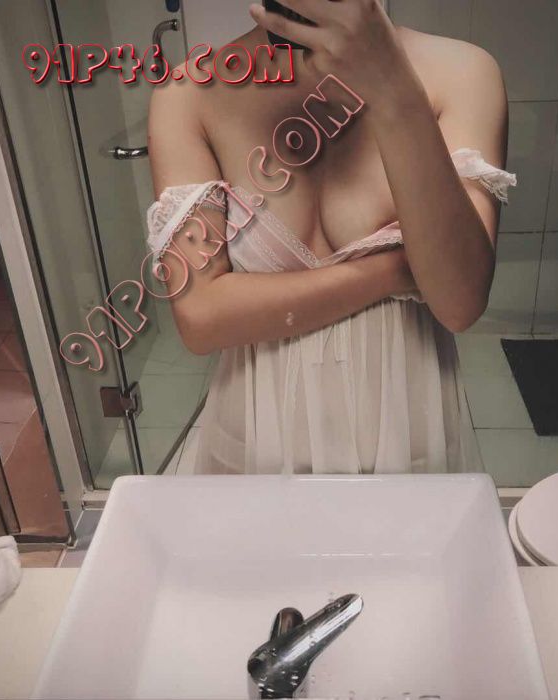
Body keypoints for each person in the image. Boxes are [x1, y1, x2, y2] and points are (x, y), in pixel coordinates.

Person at [145, 0, 517, 474]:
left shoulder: (461, 72)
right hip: (252, 444)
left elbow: (460, 302)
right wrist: (396, 270)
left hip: (406, 444)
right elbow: (200, 319)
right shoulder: (190, 92)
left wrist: (392, 88)